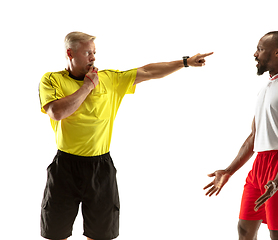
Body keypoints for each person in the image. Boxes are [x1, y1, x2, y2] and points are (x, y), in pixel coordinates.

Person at [39, 31, 213, 240]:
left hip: (100, 167)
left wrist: (185, 62)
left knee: (101, 235)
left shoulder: (110, 79)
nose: (93, 58)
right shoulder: (51, 80)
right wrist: (87, 87)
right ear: (70, 53)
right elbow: (57, 112)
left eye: (94, 53)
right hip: (65, 166)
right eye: (87, 53)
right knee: (55, 234)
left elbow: (148, 71)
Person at [204, 31, 278, 240]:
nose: (255, 54)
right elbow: (255, 135)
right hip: (260, 164)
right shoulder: (266, 87)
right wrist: (228, 170)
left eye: (261, 49)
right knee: (244, 228)